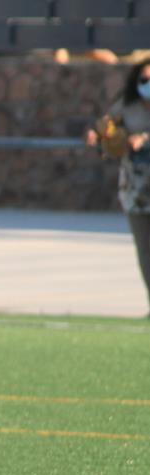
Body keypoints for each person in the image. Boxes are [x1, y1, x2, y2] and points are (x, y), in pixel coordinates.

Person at [87, 60, 150, 313]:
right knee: (145, 251)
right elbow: (105, 125)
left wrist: (144, 139)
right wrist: (97, 135)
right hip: (136, 189)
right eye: (144, 80)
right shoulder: (128, 105)